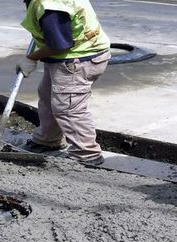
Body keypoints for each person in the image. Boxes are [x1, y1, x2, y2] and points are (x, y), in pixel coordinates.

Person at [17, 0, 111, 167]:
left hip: (77, 60)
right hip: (67, 57)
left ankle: (87, 154)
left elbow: (59, 45)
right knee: (47, 96)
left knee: (68, 108)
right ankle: (47, 140)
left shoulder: (49, 7)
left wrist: (32, 58)